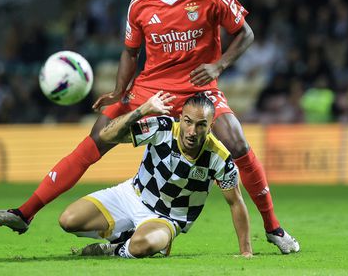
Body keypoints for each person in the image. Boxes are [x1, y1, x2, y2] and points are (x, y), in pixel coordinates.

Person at [0, 0, 299, 254]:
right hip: (150, 88)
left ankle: (273, 227)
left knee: (237, 143)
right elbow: (130, 53)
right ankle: (25, 213)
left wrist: (219, 66)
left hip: (198, 89)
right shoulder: (140, 3)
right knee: (97, 139)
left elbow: (245, 34)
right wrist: (120, 91)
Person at [60, 92, 252, 258]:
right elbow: (107, 135)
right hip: (131, 195)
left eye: (201, 125)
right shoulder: (163, 128)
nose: (192, 131)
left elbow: (235, 202)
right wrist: (143, 109)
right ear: (181, 118)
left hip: (167, 218)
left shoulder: (219, 158)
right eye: (188, 121)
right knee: (68, 220)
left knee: (142, 246)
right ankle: (127, 236)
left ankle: (115, 248)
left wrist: (246, 252)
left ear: (210, 127)